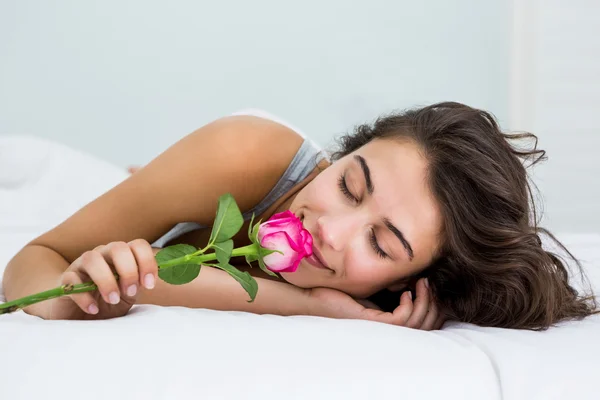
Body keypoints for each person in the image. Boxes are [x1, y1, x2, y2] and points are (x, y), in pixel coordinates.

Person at [3, 102, 598, 330]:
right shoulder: (242, 156)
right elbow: (34, 264)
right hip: (169, 188)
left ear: (404, 286)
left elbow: (155, 276)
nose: (328, 229)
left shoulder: (376, 305)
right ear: (340, 156)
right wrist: (67, 298)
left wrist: (310, 305)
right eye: (349, 184)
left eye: (383, 244)